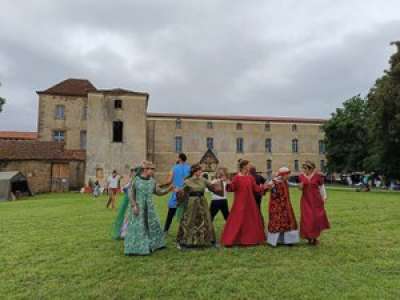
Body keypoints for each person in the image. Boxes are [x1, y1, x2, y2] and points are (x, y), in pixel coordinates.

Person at [124, 161, 172, 256]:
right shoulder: (136, 180)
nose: (153, 172)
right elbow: (130, 193)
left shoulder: (152, 181)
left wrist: (168, 189)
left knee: (154, 224)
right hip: (138, 207)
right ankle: (137, 248)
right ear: (145, 169)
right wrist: (134, 205)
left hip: (149, 208)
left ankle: (156, 244)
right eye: (152, 169)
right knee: (139, 227)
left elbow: (158, 192)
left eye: (154, 169)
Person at [221, 160, 270, 247]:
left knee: (250, 221)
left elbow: (256, 189)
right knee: (236, 221)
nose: (250, 167)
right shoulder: (237, 177)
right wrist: (228, 183)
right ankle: (231, 240)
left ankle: (250, 239)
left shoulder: (250, 177)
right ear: (244, 166)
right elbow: (231, 188)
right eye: (248, 165)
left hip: (250, 203)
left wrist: (265, 187)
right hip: (239, 202)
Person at [176, 164, 223, 249]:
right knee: (190, 220)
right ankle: (187, 241)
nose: (201, 172)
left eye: (201, 170)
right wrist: (179, 192)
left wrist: (219, 182)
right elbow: (182, 192)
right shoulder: (187, 181)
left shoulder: (203, 180)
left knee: (205, 220)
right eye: (199, 170)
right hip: (191, 202)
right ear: (194, 171)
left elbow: (212, 187)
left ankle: (207, 240)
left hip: (202, 202)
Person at [298, 161, 330, 245]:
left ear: (311, 169)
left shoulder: (318, 177)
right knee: (307, 219)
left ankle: (315, 237)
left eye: (306, 168)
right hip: (306, 201)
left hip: (316, 201)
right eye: (303, 168)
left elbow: (321, 187)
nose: (304, 170)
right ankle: (309, 238)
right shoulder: (301, 177)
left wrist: (324, 197)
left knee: (315, 219)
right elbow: (300, 188)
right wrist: (300, 187)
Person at [266, 167, 299, 247]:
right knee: (277, 222)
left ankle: (289, 241)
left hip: (286, 205)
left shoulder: (285, 181)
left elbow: (290, 184)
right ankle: (275, 241)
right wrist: (270, 187)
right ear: (283, 174)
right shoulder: (274, 181)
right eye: (288, 174)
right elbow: (269, 187)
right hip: (277, 206)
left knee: (288, 222)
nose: (288, 176)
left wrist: (298, 185)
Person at [163, 153, 191, 233]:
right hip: (186, 193)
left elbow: (169, 181)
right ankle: (186, 230)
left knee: (171, 213)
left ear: (179, 159)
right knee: (186, 213)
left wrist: (161, 185)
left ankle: (166, 230)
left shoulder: (174, 168)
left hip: (176, 193)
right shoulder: (189, 168)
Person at [112, 168, 139, 240]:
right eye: (131, 172)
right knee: (128, 217)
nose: (131, 174)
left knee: (133, 217)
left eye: (133, 172)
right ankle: (124, 233)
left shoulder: (136, 181)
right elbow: (123, 188)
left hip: (135, 202)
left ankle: (132, 232)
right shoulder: (131, 182)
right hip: (130, 203)